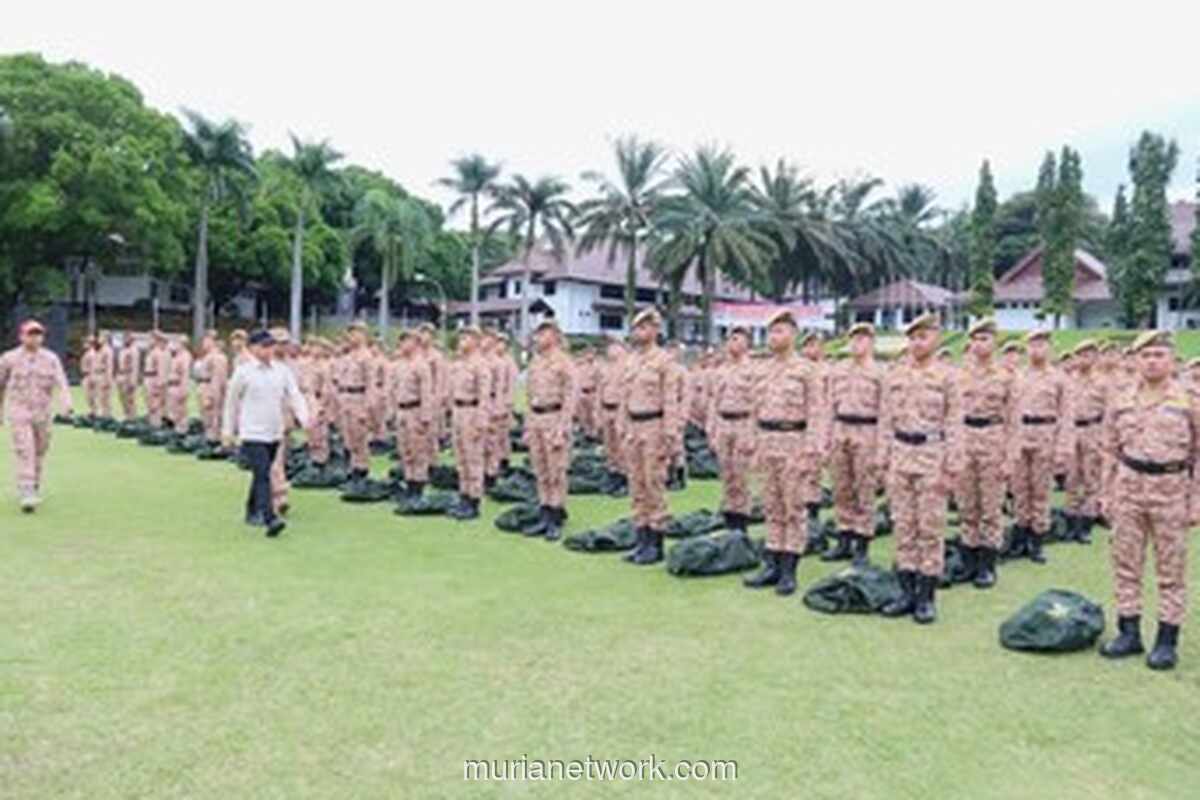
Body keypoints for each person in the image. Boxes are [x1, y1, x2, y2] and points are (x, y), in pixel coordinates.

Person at [1099, 331, 1198, 671]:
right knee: (1126, 564)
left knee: (1171, 569)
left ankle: (1166, 641)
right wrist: (1106, 492)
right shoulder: (1121, 398)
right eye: (1145, 355)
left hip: (1171, 490)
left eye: (1158, 355)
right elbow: (1109, 449)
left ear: (1171, 360)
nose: (1152, 361)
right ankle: (1129, 633)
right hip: (1128, 489)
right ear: (1136, 360)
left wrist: (1196, 499)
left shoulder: (1189, 399)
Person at [878, 312, 961, 624]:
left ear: (936, 339)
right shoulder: (895, 375)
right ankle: (906, 593)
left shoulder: (948, 377)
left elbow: (955, 422)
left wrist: (952, 465)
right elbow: (886, 420)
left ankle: (926, 597)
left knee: (929, 527)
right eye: (912, 338)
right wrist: (882, 459)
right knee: (903, 525)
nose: (917, 343)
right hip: (900, 455)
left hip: (931, 455)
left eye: (923, 337)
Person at [741, 311, 827, 596]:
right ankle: (772, 564)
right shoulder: (761, 370)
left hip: (794, 442)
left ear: (793, 335)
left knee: (793, 507)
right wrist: (752, 443)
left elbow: (817, 412)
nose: (773, 337)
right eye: (771, 332)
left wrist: (812, 450)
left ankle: (789, 570)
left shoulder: (807, 370)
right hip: (767, 442)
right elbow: (753, 410)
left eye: (779, 331)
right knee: (771, 506)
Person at [221, 330, 309, 537]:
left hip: (274, 430)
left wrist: (304, 418)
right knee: (263, 474)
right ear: (252, 348)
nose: (269, 350)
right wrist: (227, 431)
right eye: (264, 346)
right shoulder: (243, 372)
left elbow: (294, 395)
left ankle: (251, 509)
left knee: (262, 473)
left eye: (271, 346)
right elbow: (231, 403)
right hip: (252, 431)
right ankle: (270, 517)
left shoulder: (282, 371)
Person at [619, 309, 683, 565]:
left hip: (654, 426)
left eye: (644, 327)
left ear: (656, 330)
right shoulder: (631, 361)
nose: (639, 333)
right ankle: (641, 539)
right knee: (636, 485)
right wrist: (622, 427)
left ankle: (655, 543)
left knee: (653, 483)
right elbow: (625, 398)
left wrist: (670, 434)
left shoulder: (664, 362)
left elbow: (670, 400)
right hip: (633, 427)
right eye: (636, 328)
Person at [954, 318, 1013, 588]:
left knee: (990, 506)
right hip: (964, 439)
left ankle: (987, 566)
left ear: (995, 342)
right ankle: (968, 562)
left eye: (985, 338)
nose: (979, 344)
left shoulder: (1006, 377)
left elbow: (1014, 419)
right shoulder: (959, 376)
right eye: (975, 339)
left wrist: (1010, 457)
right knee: (967, 504)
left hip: (993, 440)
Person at [1008, 330, 1074, 564]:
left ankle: (1037, 541)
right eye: (1032, 345)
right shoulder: (1016, 376)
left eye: (1041, 344)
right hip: (1019, 435)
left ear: (1050, 348)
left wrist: (1063, 447)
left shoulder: (1059, 379)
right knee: (1019, 489)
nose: (1036, 349)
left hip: (1046, 435)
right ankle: (1020, 536)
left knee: (1041, 490)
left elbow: (1066, 415)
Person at [824, 321, 884, 566]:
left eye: (863, 338)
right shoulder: (838, 370)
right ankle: (844, 538)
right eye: (854, 338)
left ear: (871, 342)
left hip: (867, 430)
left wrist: (882, 446)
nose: (857, 343)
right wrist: (827, 437)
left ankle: (862, 543)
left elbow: (886, 412)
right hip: (841, 429)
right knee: (841, 487)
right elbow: (829, 406)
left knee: (864, 488)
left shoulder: (880, 373)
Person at [0, 320, 73, 511]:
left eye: (38, 334)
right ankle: (27, 489)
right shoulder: (9, 358)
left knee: (40, 451)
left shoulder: (51, 358)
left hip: (43, 412)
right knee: (25, 449)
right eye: (30, 334)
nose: (34, 338)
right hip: (20, 410)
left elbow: (61, 382)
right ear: (21, 336)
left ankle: (34, 484)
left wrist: (66, 403)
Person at [524, 319, 576, 540]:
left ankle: (556, 515)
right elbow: (529, 396)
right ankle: (544, 512)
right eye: (537, 334)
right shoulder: (535, 363)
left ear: (554, 335)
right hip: (537, 418)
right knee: (541, 470)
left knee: (556, 471)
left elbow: (570, 397)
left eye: (543, 333)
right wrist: (528, 425)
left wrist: (563, 427)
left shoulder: (564, 362)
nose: (538, 338)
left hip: (554, 417)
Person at [705, 326, 757, 537]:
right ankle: (729, 520)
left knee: (741, 475)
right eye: (730, 339)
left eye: (737, 338)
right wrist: (712, 429)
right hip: (724, 424)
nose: (732, 342)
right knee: (727, 475)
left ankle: (741, 524)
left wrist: (753, 433)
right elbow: (713, 402)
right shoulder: (721, 371)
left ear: (747, 343)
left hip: (743, 423)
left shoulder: (753, 371)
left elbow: (757, 404)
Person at [448, 326, 492, 520]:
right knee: (461, 459)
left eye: (466, 338)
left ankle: (474, 501)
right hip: (458, 412)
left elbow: (484, 397)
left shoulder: (480, 365)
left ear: (475, 340)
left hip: (472, 412)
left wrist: (480, 422)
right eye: (461, 337)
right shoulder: (458, 364)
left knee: (473, 459)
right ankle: (463, 497)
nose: (461, 341)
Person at [1064, 339, 1105, 544]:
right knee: (1071, 478)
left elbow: (1110, 412)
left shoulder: (1103, 382)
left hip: (1093, 430)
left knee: (1092, 478)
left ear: (1096, 358)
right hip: (1071, 430)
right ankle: (1071, 524)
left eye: (1089, 355)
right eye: (1080, 355)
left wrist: (1105, 438)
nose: (1084, 359)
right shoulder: (1068, 380)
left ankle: (1086, 524)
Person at [390, 331, 436, 499]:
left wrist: (425, 417)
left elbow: (426, 394)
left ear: (415, 343)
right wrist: (393, 412)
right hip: (402, 411)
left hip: (415, 411)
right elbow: (394, 390)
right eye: (401, 341)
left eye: (405, 340)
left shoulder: (421, 365)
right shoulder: (400, 365)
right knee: (405, 450)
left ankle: (418, 487)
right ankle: (409, 483)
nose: (402, 344)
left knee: (418, 451)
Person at [597, 337, 629, 494]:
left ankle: (624, 477)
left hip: (620, 410)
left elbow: (628, 393)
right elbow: (600, 391)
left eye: (614, 347)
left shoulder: (628, 368)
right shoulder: (605, 368)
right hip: (606, 409)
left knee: (622, 446)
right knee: (610, 446)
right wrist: (598, 412)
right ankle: (613, 473)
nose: (611, 351)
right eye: (609, 347)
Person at [195, 330, 230, 452]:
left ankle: (213, 442)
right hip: (204, 385)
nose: (204, 343)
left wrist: (211, 396)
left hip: (210, 387)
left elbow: (218, 378)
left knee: (212, 417)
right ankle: (209, 438)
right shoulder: (208, 356)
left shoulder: (217, 357)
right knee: (206, 417)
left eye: (207, 340)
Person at [165, 336, 193, 436]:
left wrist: (183, 389)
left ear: (182, 344)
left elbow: (185, 374)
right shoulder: (176, 356)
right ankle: (177, 429)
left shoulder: (185, 356)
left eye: (177, 343)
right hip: (172, 385)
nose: (175, 345)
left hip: (179, 385)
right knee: (173, 409)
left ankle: (182, 430)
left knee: (180, 410)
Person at [142, 331, 170, 429]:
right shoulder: (151, 351)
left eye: (150, 339)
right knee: (150, 403)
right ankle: (152, 422)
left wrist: (160, 383)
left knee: (155, 404)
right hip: (148, 377)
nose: (148, 341)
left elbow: (161, 369)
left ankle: (156, 424)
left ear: (156, 340)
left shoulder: (159, 353)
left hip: (154, 379)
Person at [115, 331, 141, 421]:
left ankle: (132, 416)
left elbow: (135, 366)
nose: (125, 339)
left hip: (128, 375)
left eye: (127, 338)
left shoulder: (134, 350)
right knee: (122, 397)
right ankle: (126, 414)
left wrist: (133, 380)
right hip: (121, 374)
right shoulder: (122, 350)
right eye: (124, 338)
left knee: (130, 398)